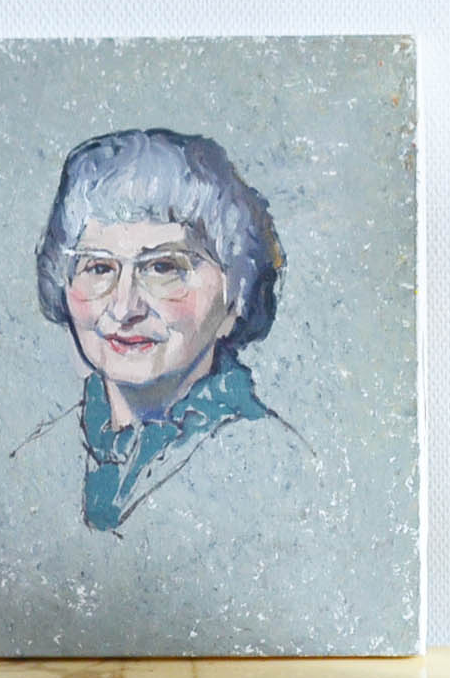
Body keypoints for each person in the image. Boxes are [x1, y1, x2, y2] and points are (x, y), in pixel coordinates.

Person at [32, 128, 306, 532]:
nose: (125, 307)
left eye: (163, 268)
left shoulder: (275, 466)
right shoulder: (35, 458)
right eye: (99, 268)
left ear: (235, 297)